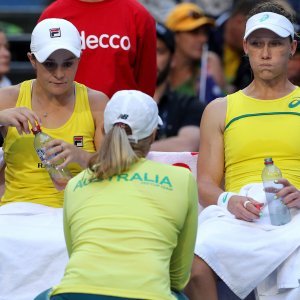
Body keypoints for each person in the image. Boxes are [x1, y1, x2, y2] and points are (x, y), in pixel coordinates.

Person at [184, 2, 300, 300]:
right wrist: (229, 199)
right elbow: (206, 185)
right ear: (245, 47)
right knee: (193, 265)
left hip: (297, 213)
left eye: (275, 43)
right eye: (258, 44)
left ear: (292, 47)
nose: (265, 53)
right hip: (240, 215)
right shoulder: (220, 109)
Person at [35, 90, 199, 300]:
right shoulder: (181, 179)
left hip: (77, 293)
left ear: (103, 130)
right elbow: (178, 276)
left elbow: (75, 255)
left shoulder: (76, 183)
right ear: (153, 135)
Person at [0, 18, 108, 300]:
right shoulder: (6, 99)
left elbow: (114, 169)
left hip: (75, 212)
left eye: (68, 63)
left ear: (79, 59)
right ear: (32, 60)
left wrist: (80, 156)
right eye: (50, 64)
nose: (59, 73)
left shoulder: (97, 102)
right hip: (16, 215)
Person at [38, 0, 156, 98]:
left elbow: (146, 87)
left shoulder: (139, 16)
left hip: (121, 122)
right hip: (64, 121)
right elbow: (43, 77)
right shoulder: (53, 15)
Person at [152, 22, 204, 152]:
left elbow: (188, 145)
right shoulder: (116, 100)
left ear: (173, 59)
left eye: (159, 51)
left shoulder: (189, 105)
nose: (150, 58)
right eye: (144, 50)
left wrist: (127, 151)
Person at [165, 2, 225, 104]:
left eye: (204, 32)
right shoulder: (158, 65)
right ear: (174, 35)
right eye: (194, 32)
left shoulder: (209, 65)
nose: (203, 39)